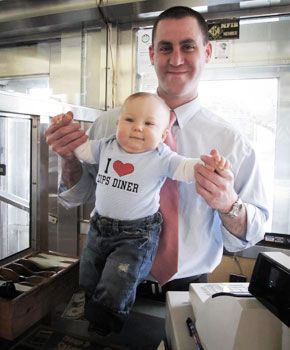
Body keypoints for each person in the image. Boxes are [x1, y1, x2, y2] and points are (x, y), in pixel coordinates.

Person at [45, 6, 268, 295]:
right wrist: (68, 159)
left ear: (208, 52)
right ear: (152, 55)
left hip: (189, 293)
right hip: (106, 282)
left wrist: (228, 204)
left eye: (187, 46)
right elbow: (79, 196)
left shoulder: (233, 143)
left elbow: (253, 232)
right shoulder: (109, 124)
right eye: (165, 48)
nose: (176, 59)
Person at [51, 91, 230, 335]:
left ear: (164, 134)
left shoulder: (161, 156)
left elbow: (187, 168)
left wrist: (208, 165)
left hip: (136, 235)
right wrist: (65, 130)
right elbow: (79, 150)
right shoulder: (106, 146)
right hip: (99, 227)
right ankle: (91, 309)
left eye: (148, 124)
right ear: (117, 124)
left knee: (118, 279)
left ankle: (106, 324)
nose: (137, 128)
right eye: (129, 121)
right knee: (89, 274)